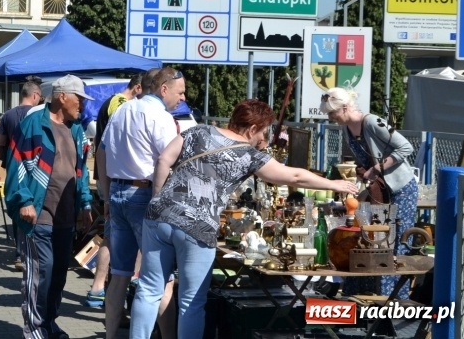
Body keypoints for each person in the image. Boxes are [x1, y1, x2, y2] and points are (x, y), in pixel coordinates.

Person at [129, 99, 359, 338]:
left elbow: (163, 159)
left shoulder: (199, 130)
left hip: (158, 216)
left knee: (149, 290)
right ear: (252, 129)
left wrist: (158, 200)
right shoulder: (249, 155)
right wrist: (333, 183)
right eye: (264, 131)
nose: (265, 138)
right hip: (197, 226)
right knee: (191, 303)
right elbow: (295, 177)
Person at [4, 74, 94, 339]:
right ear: (62, 96)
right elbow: (16, 163)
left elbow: (81, 171)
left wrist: (86, 202)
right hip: (38, 212)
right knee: (41, 272)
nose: (83, 105)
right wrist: (24, 201)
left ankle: (49, 324)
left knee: (58, 275)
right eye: (79, 98)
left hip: (65, 215)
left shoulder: (75, 128)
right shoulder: (34, 123)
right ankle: (34, 329)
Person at [98, 67, 183, 338]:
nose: (182, 98)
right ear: (164, 88)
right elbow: (168, 161)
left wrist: (105, 192)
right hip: (145, 195)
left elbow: (102, 152)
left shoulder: (123, 109)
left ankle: (111, 336)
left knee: (120, 274)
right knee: (161, 279)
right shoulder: (161, 117)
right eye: (180, 92)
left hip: (118, 193)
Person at [319, 87, 417, 298]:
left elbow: (405, 147)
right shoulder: (346, 129)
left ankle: (395, 299)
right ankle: (362, 293)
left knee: (397, 242)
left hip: (400, 188)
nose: (330, 117)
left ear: (345, 108)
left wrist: (376, 169)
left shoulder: (372, 122)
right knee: (369, 238)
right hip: (377, 189)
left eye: (332, 113)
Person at [84, 72, 144, 308]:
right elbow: (116, 143)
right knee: (114, 236)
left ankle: (99, 288)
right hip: (116, 178)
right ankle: (103, 287)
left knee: (112, 235)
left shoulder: (115, 102)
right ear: (138, 88)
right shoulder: (121, 104)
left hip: (110, 176)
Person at [0, 79, 43, 271]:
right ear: (34, 95)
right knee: (36, 205)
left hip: (15, 168)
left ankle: (19, 254)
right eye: (39, 96)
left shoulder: (8, 115)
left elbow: (0, 140)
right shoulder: (40, 114)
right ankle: (34, 251)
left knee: (19, 205)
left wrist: (5, 158)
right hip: (38, 169)